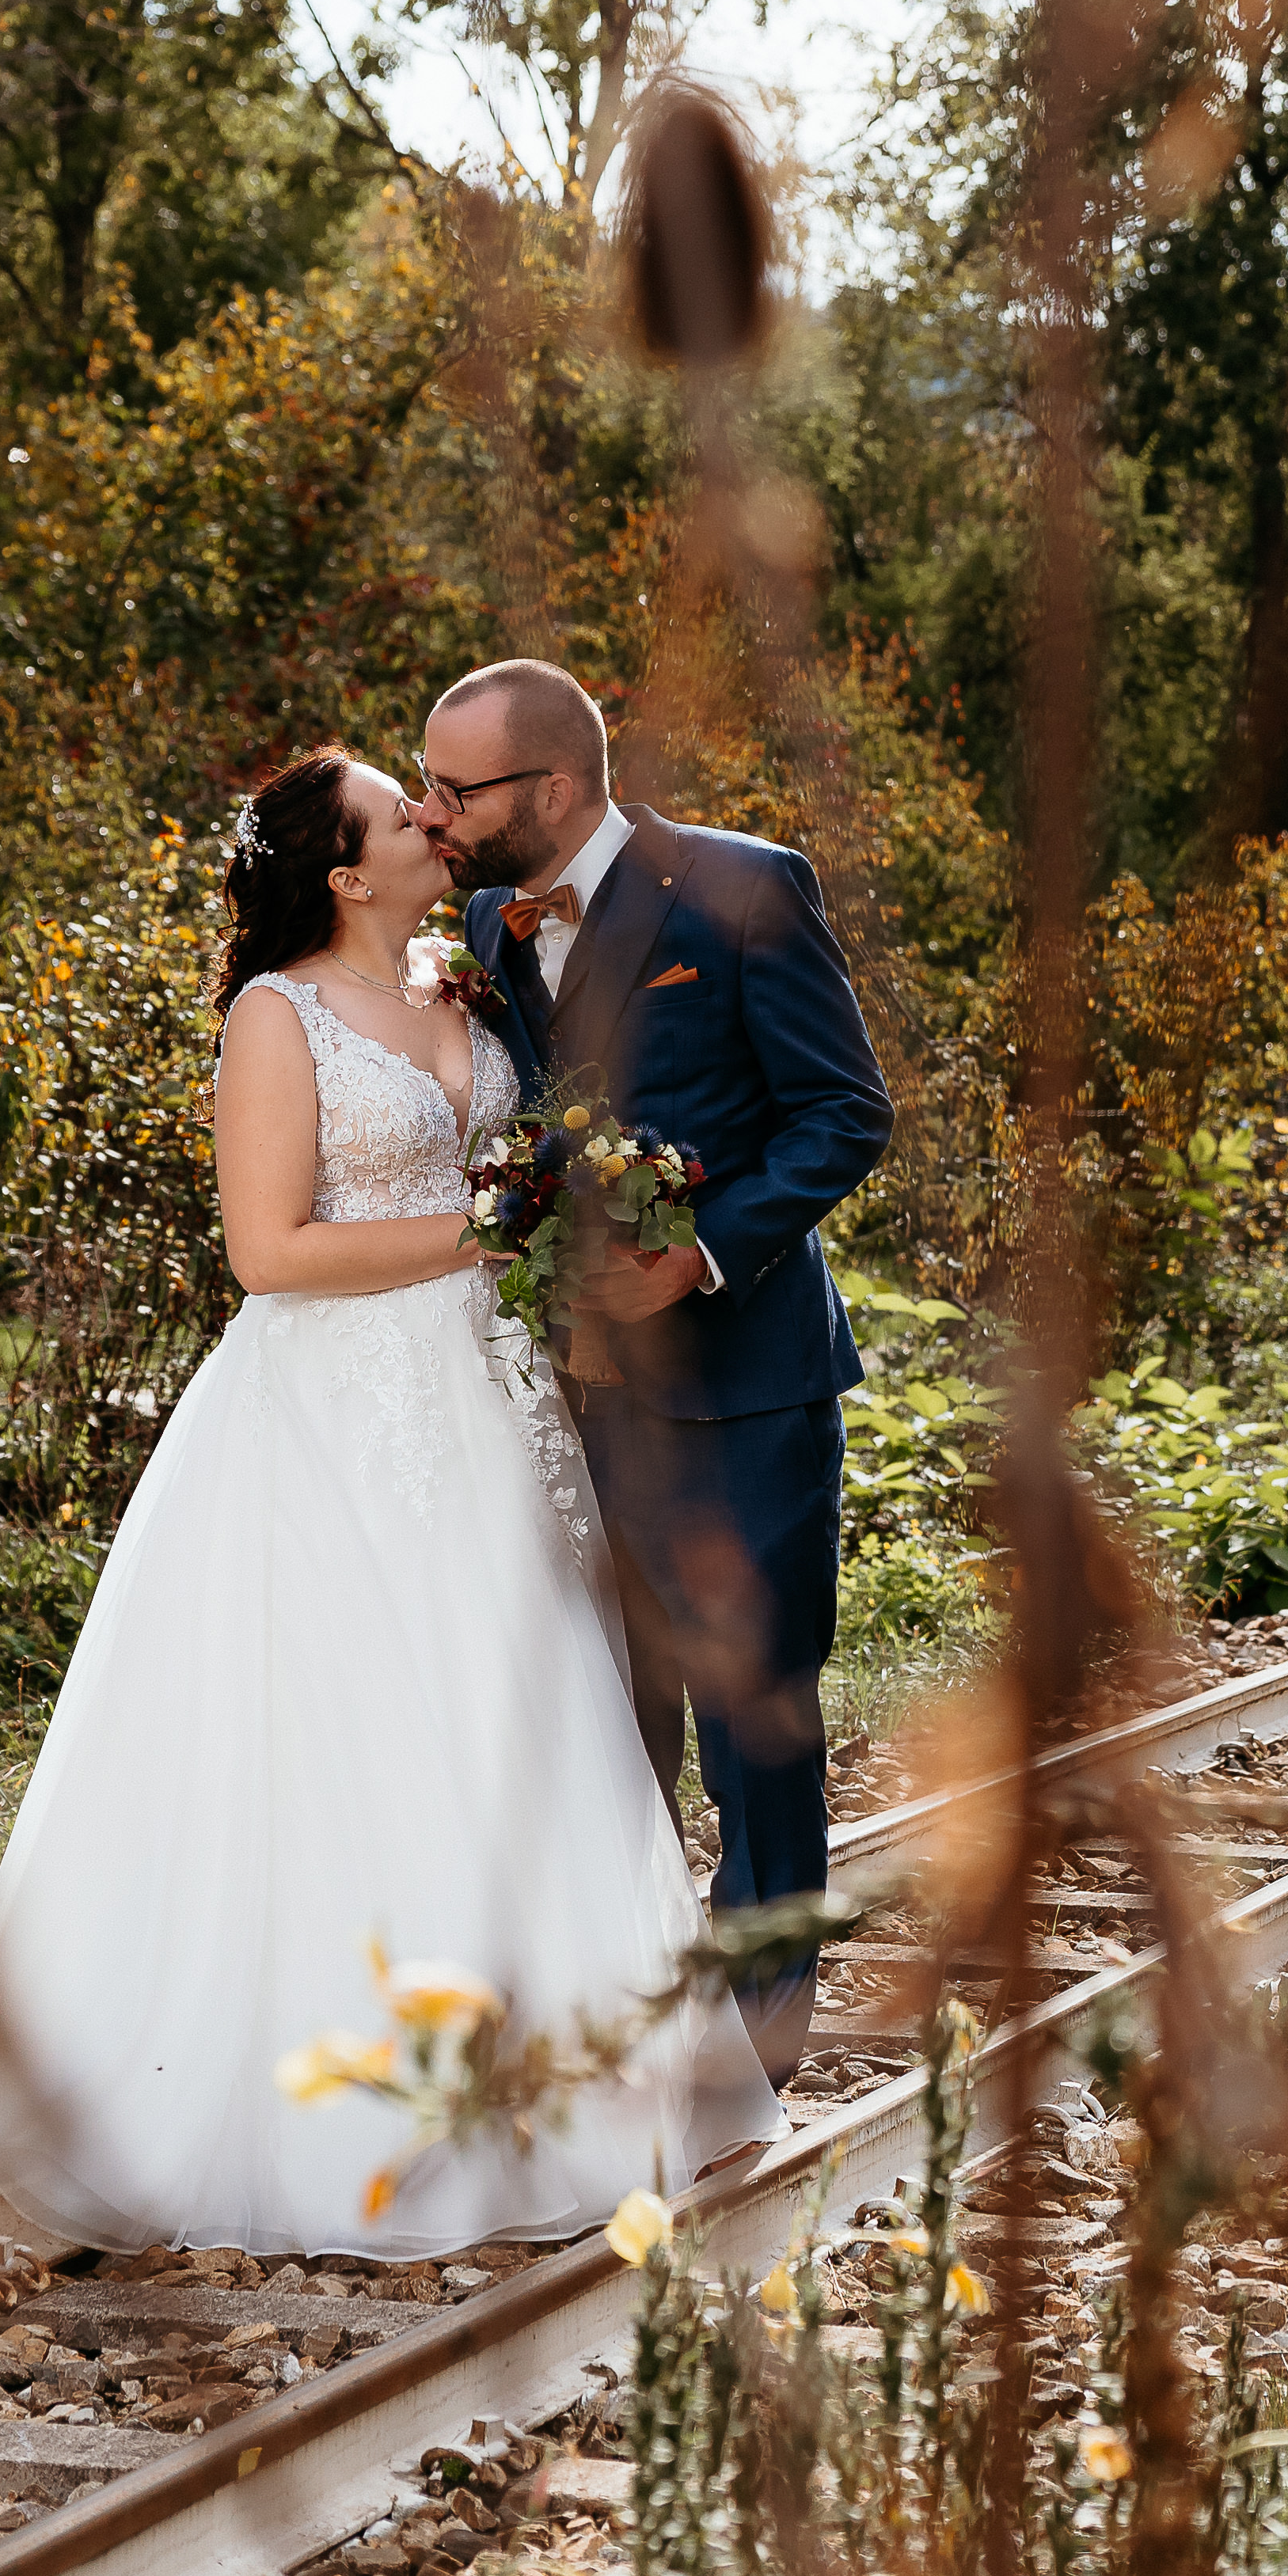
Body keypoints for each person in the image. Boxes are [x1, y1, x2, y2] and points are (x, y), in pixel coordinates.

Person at [0, 744, 781, 2259]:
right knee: (359, 1723)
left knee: (524, 1709)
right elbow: (266, 1256)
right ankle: (352, 2113)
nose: (430, 816)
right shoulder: (277, 1020)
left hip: (497, 1406)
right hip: (341, 1418)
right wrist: (488, 1229)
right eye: (402, 810)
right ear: (344, 872)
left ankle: (567, 2088)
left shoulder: (461, 984)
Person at [418, 661, 894, 2088]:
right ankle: (622, 1998)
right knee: (607, 1714)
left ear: (553, 789)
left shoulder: (741, 888)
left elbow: (842, 1115)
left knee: (756, 1714)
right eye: (426, 787)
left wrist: (698, 1259)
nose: (435, 813)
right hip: (560, 1403)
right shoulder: (482, 924)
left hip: (740, 1385)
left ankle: (761, 2036)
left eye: (459, 788)